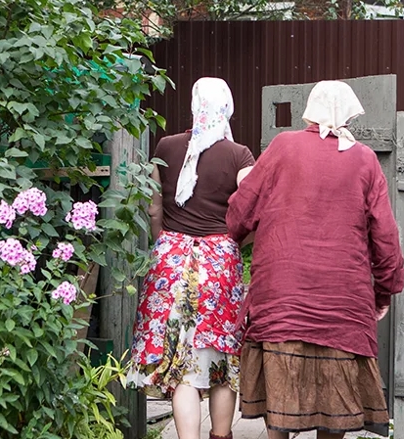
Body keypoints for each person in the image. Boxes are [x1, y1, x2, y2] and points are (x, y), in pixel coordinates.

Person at [226, 81, 404, 439]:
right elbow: (386, 235)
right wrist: (384, 291)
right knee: (336, 406)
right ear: (349, 115)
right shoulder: (364, 159)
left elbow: (240, 214)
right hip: (343, 304)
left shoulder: (282, 147)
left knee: (280, 398)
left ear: (309, 111)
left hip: (281, 297)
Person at [129, 77, 254, 439]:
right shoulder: (239, 155)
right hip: (218, 261)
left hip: (170, 258)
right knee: (220, 359)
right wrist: (237, 242)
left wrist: (166, 243)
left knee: (182, 367)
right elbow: (254, 209)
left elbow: (154, 208)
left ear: (194, 105)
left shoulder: (165, 147)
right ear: (227, 108)